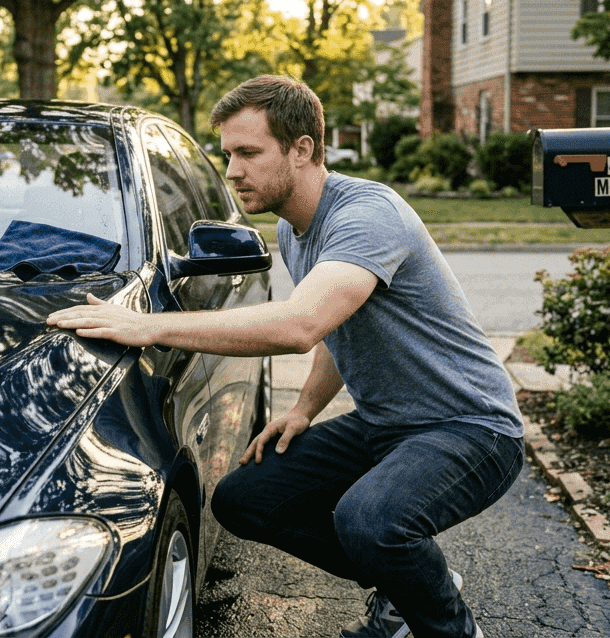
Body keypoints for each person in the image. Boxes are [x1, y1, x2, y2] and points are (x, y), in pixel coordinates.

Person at [46, 74, 524, 638]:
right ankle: (412, 583)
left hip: (471, 428)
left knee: (369, 521)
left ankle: (447, 626)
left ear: (303, 150)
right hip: (386, 425)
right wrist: (302, 409)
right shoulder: (293, 227)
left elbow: (302, 324)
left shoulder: (368, 216)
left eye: (248, 152)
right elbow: (335, 329)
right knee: (246, 498)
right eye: (227, 153)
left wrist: (147, 327)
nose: (231, 170)